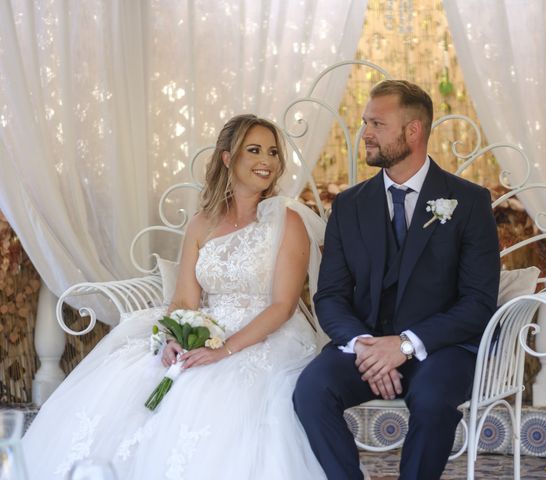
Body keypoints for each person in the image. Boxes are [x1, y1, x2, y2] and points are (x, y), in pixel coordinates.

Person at [23, 114, 327, 480]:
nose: (267, 160)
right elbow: (184, 300)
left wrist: (223, 350)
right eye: (254, 150)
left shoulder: (287, 221)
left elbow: (284, 306)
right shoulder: (203, 223)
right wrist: (173, 336)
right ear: (228, 158)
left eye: (273, 152)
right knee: (136, 377)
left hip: (267, 335)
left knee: (212, 389)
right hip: (210, 328)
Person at [293, 80, 501, 480]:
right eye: (365, 123)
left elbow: (477, 303)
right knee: (311, 390)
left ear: (413, 131)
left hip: (441, 349)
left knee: (434, 398)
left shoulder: (469, 202)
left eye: (377, 124)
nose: (365, 134)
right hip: (366, 346)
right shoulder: (349, 205)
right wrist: (366, 347)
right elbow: (331, 295)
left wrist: (405, 345)